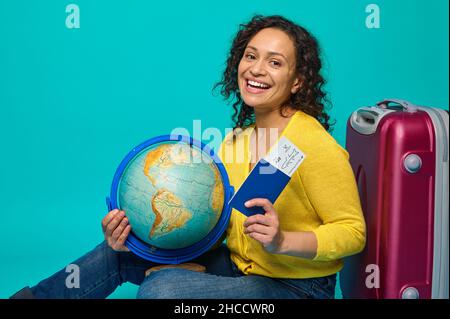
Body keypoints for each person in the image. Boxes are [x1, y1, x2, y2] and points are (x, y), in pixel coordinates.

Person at [10, 15, 366, 299]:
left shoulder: (311, 144)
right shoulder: (237, 141)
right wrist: (138, 235)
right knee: (115, 253)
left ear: (299, 80)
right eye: (251, 56)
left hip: (295, 288)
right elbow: (219, 221)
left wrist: (282, 241)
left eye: (275, 62)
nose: (256, 70)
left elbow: (353, 232)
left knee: (162, 291)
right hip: (239, 268)